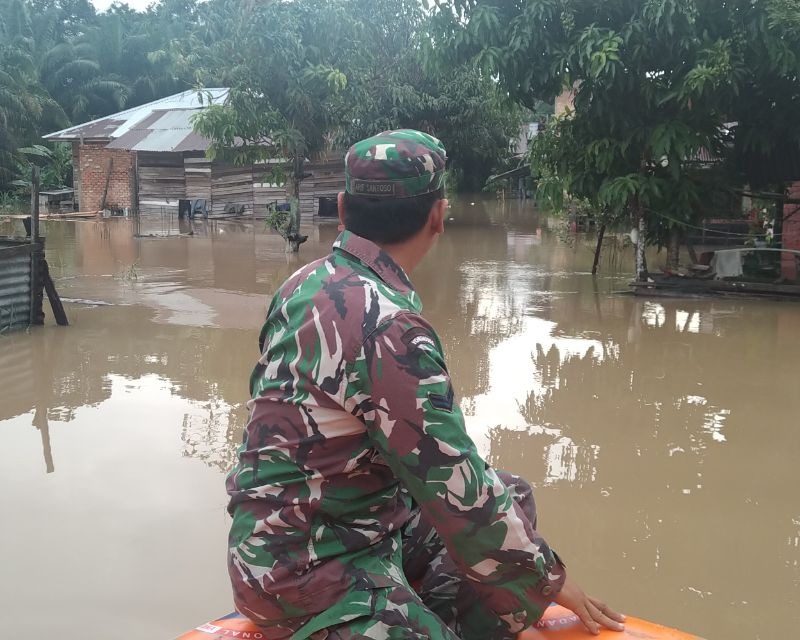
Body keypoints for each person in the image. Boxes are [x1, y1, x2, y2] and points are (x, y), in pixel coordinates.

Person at [226, 129, 625, 640]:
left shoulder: (300, 284)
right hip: (302, 570)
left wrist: (529, 576)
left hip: (320, 526)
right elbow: (454, 482)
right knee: (485, 506)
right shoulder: (389, 327)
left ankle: (443, 610)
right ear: (438, 216)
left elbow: (445, 472)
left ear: (343, 208)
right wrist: (546, 579)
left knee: (511, 492)